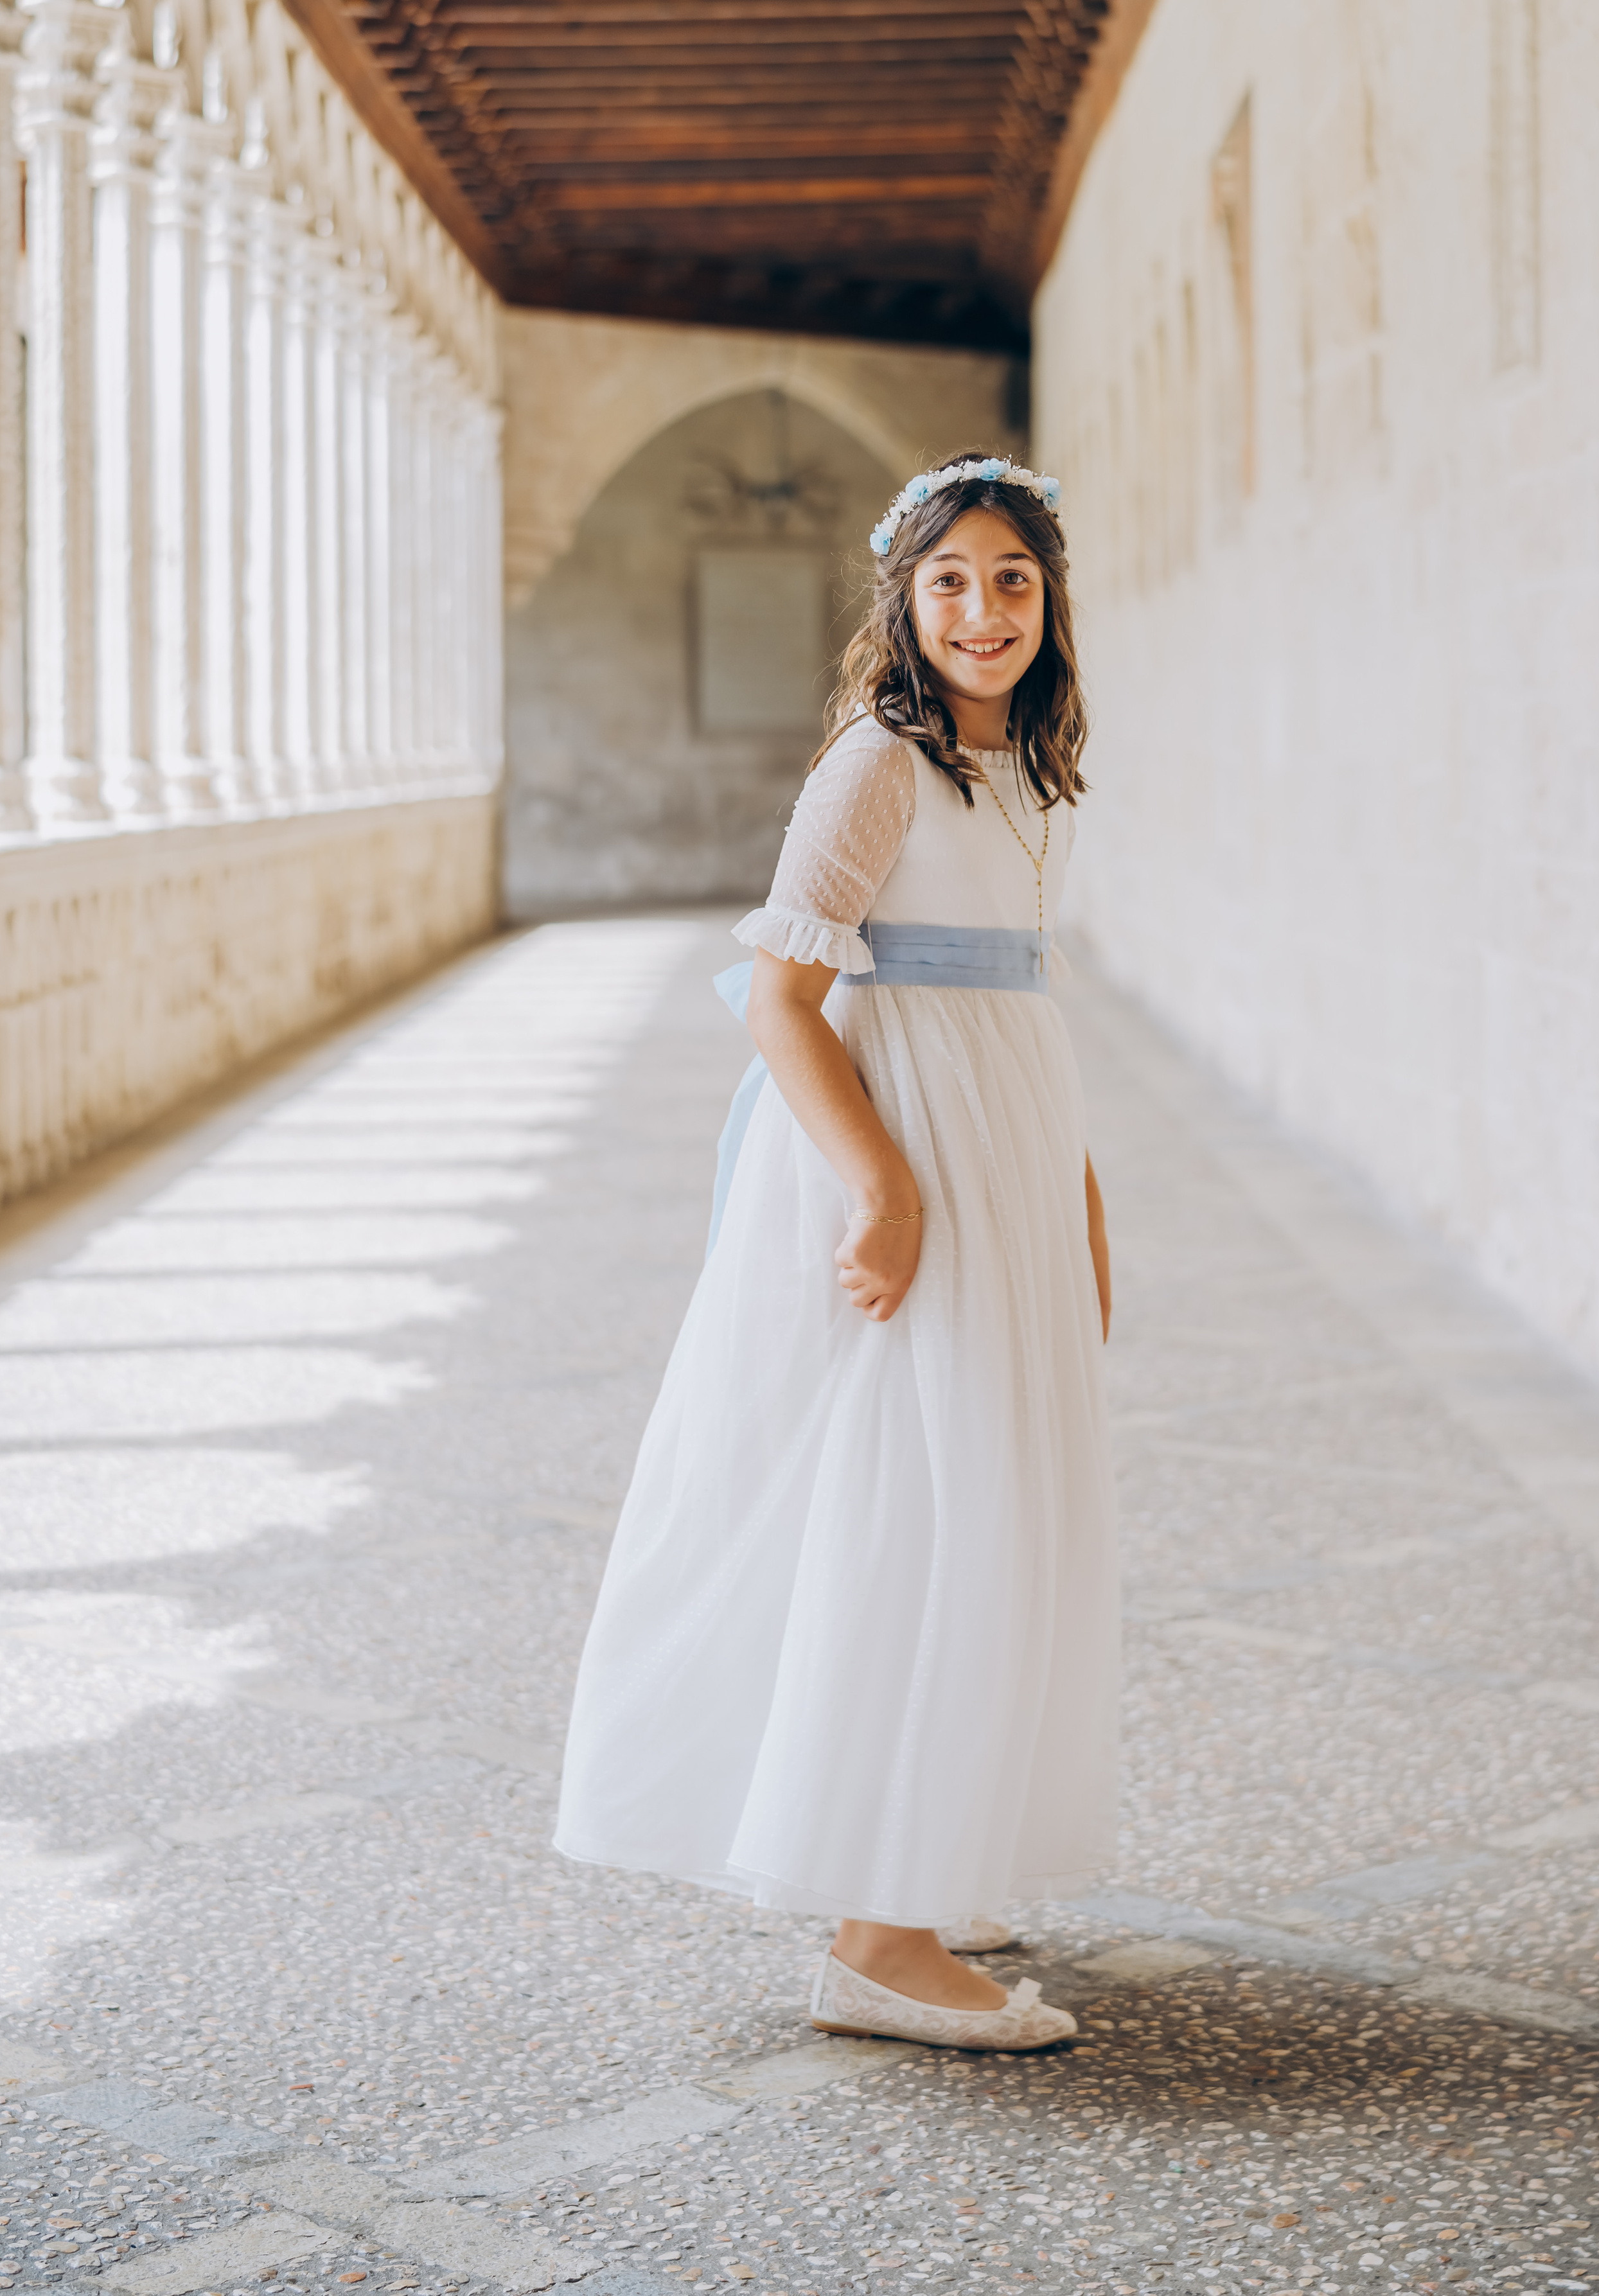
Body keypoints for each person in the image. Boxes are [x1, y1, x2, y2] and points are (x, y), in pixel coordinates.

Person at [554, 452, 1119, 2053]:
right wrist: (883, 1186)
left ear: (1048, 601)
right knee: (918, 1498)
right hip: (906, 1147)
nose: (981, 609)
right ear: (904, 600)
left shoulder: (1029, 771)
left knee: (994, 1490)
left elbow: (1020, 1006)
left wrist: (1076, 1200)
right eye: (949, 580)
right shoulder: (879, 764)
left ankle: (921, 1855)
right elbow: (780, 1000)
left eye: (1010, 579)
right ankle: (877, 1939)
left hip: (1002, 1146)